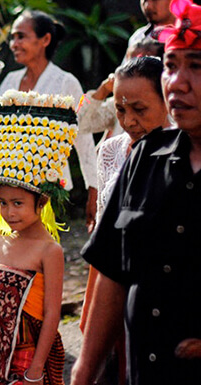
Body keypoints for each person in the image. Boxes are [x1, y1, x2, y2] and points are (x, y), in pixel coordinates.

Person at [71, 1, 201, 383]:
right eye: (172, 65)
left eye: (196, 66)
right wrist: (83, 372)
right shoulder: (146, 156)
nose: (177, 82)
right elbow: (111, 274)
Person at [0, 90, 79, 385]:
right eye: (3, 203)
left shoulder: (49, 251)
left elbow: (52, 315)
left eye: (18, 203)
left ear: (41, 203)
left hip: (28, 357)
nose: (9, 212)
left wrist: (35, 369)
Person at [79, 55, 170, 385]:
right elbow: (106, 236)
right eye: (121, 110)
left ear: (168, 100)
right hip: (115, 288)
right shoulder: (112, 151)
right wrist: (92, 307)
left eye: (140, 110)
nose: (129, 121)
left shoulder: (186, 155)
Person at [0, 10, 98, 231]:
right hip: (7, 186)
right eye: (12, 37)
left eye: (21, 36)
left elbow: (84, 142)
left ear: (45, 40)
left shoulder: (65, 82)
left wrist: (94, 192)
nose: (13, 43)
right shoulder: (10, 81)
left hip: (45, 189)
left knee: (40, 256)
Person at [78, 38, 165, 156]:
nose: (128, 122)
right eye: (129, 62)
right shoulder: (118, 104)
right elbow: (81, 124)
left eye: (139, 109)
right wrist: (103, 90)